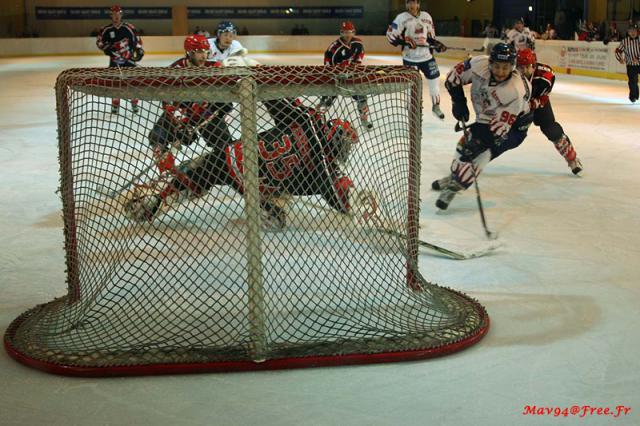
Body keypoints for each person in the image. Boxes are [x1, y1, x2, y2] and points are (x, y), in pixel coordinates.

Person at [125, 101, 360, 229]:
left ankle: (157, 199)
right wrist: (354, 200)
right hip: (255, 186)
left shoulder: (306, 120)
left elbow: (277, 98)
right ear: (334, 138)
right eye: (343, 145)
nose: (344, 151)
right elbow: (335, 193)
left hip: (234, 157)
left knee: (198, 172)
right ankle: (271, 203)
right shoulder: (322, 166)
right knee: (275, 220)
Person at [431, 43, 532, 210]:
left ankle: (455, 186)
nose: (500, 72)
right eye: (496, 66)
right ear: (490, 63)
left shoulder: (515, 91)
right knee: (462, 148)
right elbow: (453, 77)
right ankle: (455, 176)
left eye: (505, 68)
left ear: (513, 67)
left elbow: (499, 130)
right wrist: (459, 101)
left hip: (513, 128)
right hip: (486, 118)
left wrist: (478, 144)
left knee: (481, 155)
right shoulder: (479, 64)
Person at [147, 35, 232, 175]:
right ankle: (167, 174)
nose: (203, 56)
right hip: (182, 113)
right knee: (157, 137)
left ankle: (229, 171)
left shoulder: (214, 68)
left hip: (207, 114)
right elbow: (167, 101)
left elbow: (226, 93)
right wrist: (180, 124)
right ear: (189, 53)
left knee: (225, 146)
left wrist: (224, 103)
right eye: (199, 52)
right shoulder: (175, 70)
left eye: (205, 51)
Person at [516, 48, 582, 174]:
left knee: (550, 128)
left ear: (533, 66)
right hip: (517, 105)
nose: (522, 71)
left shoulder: (544, 76)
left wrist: (535, 103)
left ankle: (572, 159)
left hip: (537, 101)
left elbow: (543, 97)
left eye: (526, 67)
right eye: (519, 67)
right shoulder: (512, 75)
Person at [386, 0, 447, 120]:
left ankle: (436, 106)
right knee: (412, 85)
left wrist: (437, 44)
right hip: (410, 58)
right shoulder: (401, 18)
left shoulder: (426, 16)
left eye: (414, 3)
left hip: (427, 57)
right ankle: (413, 107)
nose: (412, 6)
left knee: (434, 81)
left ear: (418, 4)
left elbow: (430, 37)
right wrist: (405, 41)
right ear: (406, 4)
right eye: (409, 3)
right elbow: (390, 35)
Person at [317, 21, 373, 130]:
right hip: (335, 79)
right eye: (345, 32)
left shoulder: (358, 44)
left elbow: (358, 61)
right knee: (326, 100)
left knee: (362, 97)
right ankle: (317, 120)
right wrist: (334, 76)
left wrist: (351, 73)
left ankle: (364, 120)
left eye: (350, 32)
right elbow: (328, 65)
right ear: (341, 33)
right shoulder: (333, 48)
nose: (347, 35)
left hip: (350, 78)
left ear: (353, 32)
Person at [96, 5, 144, 114]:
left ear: (121, 15)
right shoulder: (106, 30)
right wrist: (105, 48)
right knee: (114, 83)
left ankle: (134, 102)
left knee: (133, 81)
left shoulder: (129, 28)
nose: (116, 17)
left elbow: (137, 41)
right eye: (114, 15)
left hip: (129, 60)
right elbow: (99, 42)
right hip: (114, 61)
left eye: (118, 14)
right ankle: (115, 103)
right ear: (111, 16)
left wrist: (140, 50)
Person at [615, 24, 640, 103]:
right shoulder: (625, 41)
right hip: (630, 65)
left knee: (634, 81)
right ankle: (633, 96)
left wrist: (638, 58)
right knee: (632, 81)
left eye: (634, 31)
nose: (633, 32)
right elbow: (617, 51)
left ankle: (635, 93)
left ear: (637, 31)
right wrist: (620, 59)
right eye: (631, 31)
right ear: (628, 32)